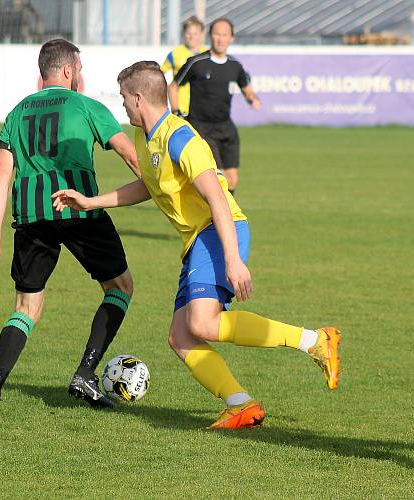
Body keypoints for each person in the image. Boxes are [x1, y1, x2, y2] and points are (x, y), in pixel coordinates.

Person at [52, 61, 340, 429]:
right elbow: (149, 186)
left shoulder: (180, 138)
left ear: (139, 98)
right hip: (196, 241)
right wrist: (92, 202)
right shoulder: (147, 137)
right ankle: (241, 405)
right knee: (181, 337)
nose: (122, 105)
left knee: (202, 324)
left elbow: (218, 199)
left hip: (218, 231)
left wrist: (233, 259)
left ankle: (316, 341)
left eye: (125, 97)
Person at [0, 39, 140, 414]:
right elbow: (131, 154)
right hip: (79, 210)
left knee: (26, 305)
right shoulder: (86, 105)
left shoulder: (16, 113)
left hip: (31, 218)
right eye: (79, 69)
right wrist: (164, 193)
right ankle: (85, 372)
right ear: (67, 70)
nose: (81, 75)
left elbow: (0, 178)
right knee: (120, 287)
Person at [169, 17, 260, 194]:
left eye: (224, 35)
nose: (220, 39)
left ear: (231, 38)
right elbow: (173, 86)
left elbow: (247, 89)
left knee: (232, 180)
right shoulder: (196, 62)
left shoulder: (235, 66)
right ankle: (221, 219)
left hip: (226, 128)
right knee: (219, 179)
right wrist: (176, 112)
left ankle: (225, 217)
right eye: (217, 34)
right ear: (210, 36)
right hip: (201, 128)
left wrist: (252, 99)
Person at [161, 16, 206, 118]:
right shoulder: (175, 54)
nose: (191, 37)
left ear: (201, 35)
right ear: (184, 34)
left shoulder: (206, 54)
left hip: (202, 108)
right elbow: (160, 74)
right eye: (188, 33)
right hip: (181, 108)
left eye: (195, 34)